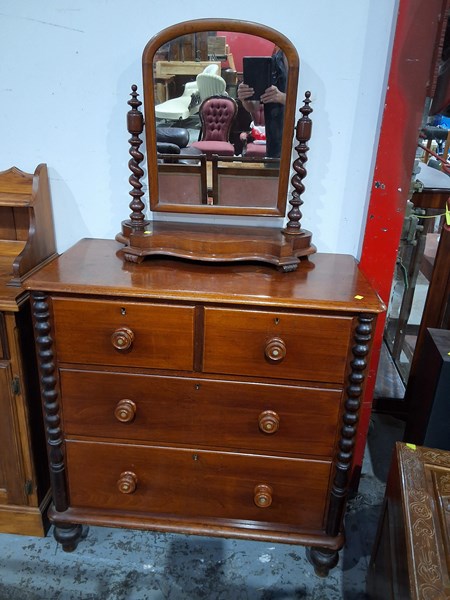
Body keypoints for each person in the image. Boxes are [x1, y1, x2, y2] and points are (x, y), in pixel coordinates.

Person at [237, 48, 287, 158]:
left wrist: (282, 98)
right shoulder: (271, 64)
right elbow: (253, 107)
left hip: (300, 136)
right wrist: (245, 98)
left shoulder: (306, 62)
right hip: (274, 139)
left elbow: (312, 101)